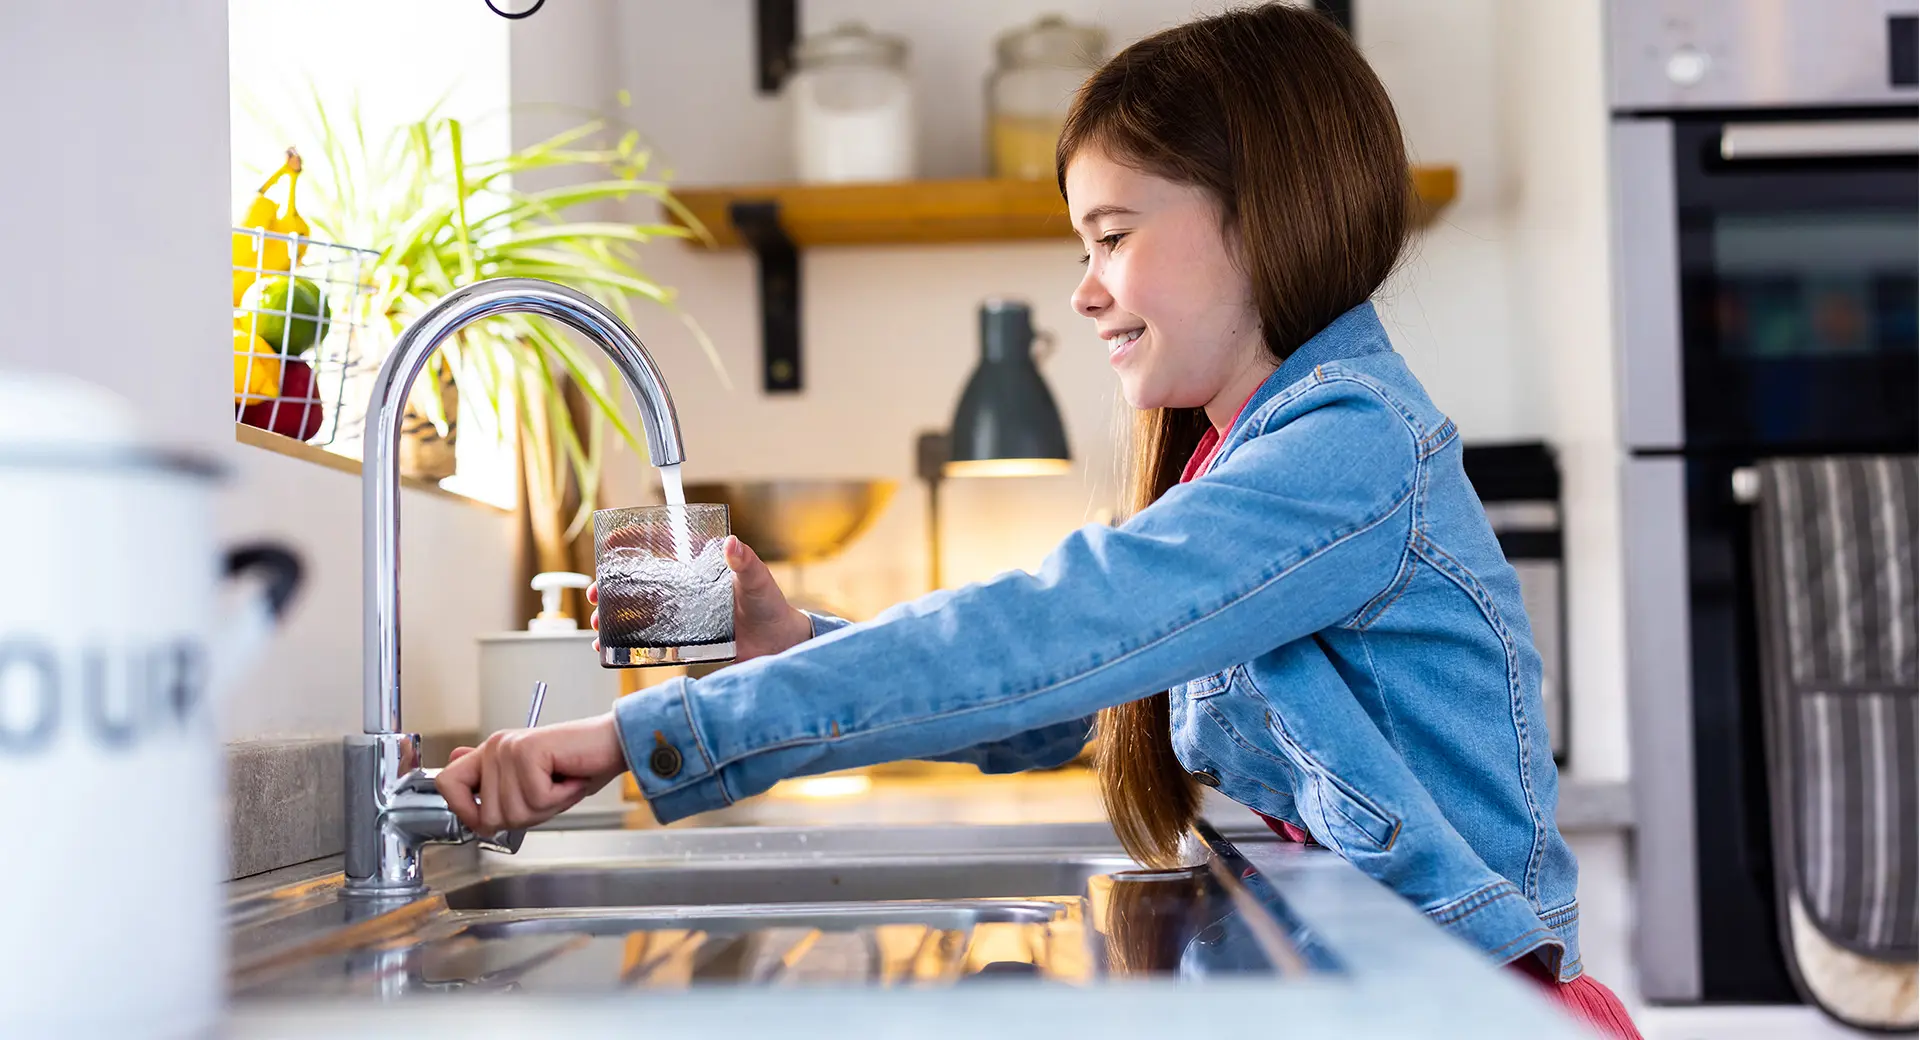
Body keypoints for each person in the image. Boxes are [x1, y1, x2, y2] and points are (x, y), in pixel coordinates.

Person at [437, 6, 1640, 1035]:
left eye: (1113, 235)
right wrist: (798, 639)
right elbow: (1076, 700)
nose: (1086, 287)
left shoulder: (1348, 448)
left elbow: (1050, 631)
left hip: (1470, 1004)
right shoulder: (1255, 457)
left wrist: (651, 729)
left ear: (1264, 215)